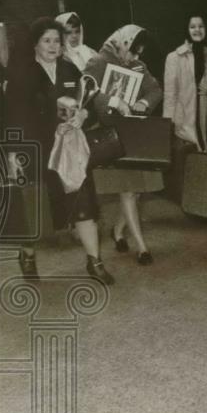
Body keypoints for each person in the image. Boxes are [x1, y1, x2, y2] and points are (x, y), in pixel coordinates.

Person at [4, 17, 112, 283]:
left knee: (83, 202)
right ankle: (27, 254)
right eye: (47, 41)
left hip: (69, 151)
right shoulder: (22, 75)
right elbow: (12, 118)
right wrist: (12, 154)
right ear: (35, 45)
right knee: (35, 211)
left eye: (56, 40)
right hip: (36, 152)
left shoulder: (70, 70)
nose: (53, 46)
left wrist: (82, 116)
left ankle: (94, 261)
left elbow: (86, 103)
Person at [84, 24, 163, 265]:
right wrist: (112, 101)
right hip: (109, 134)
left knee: (134, 191)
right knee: (128, 190)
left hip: (132, 133)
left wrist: (143, 103)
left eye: (139, 53)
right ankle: (142, 247)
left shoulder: (138, 65)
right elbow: (87, 90)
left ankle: (118, 232)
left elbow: (155, 90)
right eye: (133, 51)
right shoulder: (98, 61)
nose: (135, 57)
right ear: (122, 42)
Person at [162, 13, 207, 216]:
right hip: (184, 121)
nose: (197, 30)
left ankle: (204, 207)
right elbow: (169, 95)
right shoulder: (174, 58)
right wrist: (168, 125)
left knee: (206, 162)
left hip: (205, 119)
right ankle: (195, 207)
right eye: (192, 27)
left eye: (201, 26)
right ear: (186, 30)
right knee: (191, 165)